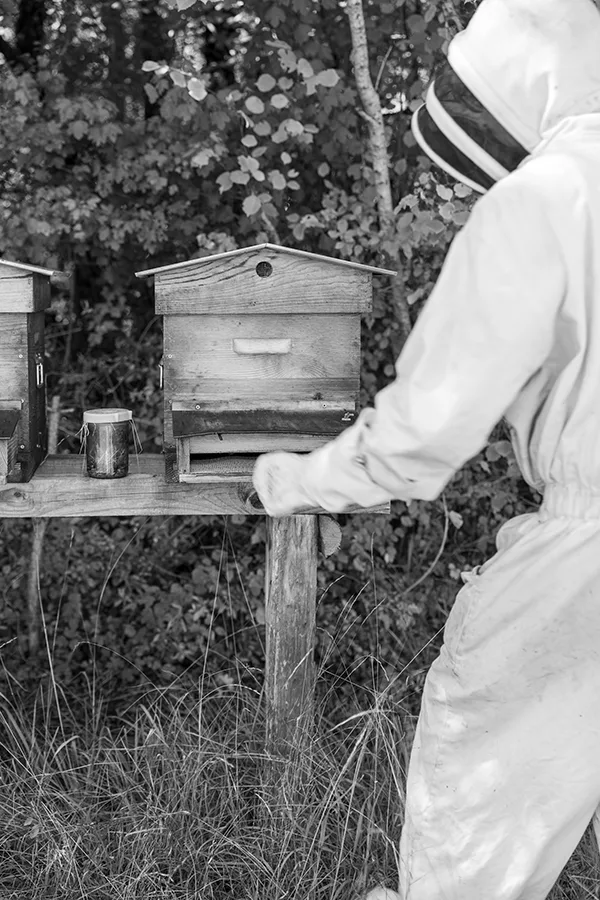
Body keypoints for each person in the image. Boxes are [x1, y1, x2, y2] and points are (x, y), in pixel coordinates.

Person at [252, 0, 600, 896]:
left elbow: (428, 429)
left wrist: (302, 480)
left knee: (474, 789)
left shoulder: (547, 197)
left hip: (587, 556)